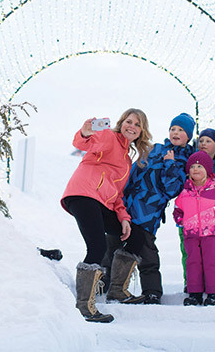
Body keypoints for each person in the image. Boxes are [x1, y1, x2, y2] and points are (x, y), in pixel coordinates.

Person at [61, 109, 153, 322]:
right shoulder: (109, 137)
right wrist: (85, 132)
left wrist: (123, 218)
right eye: (128, 121)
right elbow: (85, 143)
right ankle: (85, 307)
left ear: (141, 131)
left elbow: (117, 194)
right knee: (97, 247)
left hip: (101, 202)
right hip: (83, 194)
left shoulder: (127, 160)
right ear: (121, 124)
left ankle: (118, 290)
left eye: (137, 125)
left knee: (135, 236)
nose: (132, 126)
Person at [112, 112, 195, 305]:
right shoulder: (154, 149)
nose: (175, 132)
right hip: (128, 205)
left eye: (181, 130)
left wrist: (170, 164)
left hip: (149, 212)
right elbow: (133, 172)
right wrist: (121, 196)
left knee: (146, 251)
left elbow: (172, 189)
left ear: (188, 136)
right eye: (173, 128)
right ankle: (109, 286)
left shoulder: (185, 160)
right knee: (114, 244)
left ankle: (152, 292)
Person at [173, 151, 215, 306]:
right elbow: (177, 209)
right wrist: (181, 220)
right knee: (192, 262)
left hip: (211, 234)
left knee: (211, 262)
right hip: (191, 235)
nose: (195, 169)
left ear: (208, 169)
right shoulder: (185, 193)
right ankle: (195, 293)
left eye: (200, 166)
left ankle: (214, 294)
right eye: (192, 166)